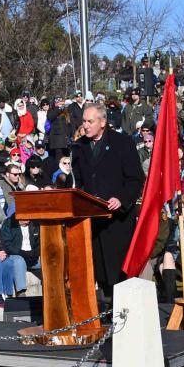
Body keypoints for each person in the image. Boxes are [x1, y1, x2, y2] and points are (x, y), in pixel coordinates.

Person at [71, 103, 143, 296]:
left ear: (102, 122)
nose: (85, 125)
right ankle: (102, 315)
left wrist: (121, 199)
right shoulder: (79, 147)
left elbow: (135, 179)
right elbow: (78, 181)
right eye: (84, 121)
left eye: (90, 121)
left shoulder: (123, 143)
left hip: (117, 221)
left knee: (117, 273)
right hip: (91, 221)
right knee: (99, 271)